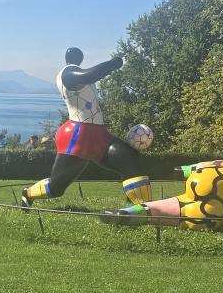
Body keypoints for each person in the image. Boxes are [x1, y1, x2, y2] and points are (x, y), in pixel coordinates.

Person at [20, 47, 152, 207]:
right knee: (57, 187)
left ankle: (142, 209)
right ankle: (28, 193)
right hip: (77, 136)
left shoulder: (77, 75)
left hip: (98, 136)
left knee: (129, 158)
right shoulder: (67, 74)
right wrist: (112, 64)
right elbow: (89, 75)